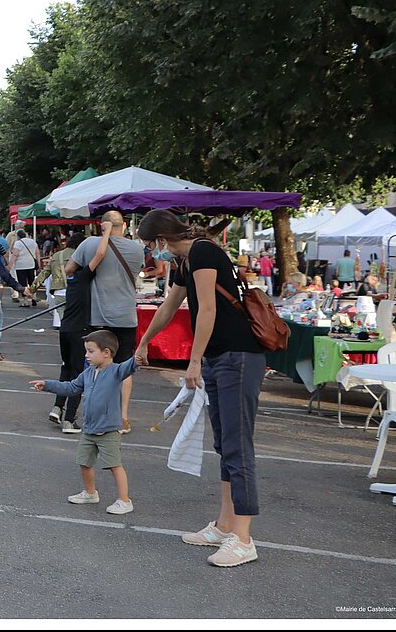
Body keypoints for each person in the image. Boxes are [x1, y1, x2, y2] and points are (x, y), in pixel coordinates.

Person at [134, 209, 265, 567]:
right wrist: (144, 340)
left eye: (151, 245)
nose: (151, 253)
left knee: (238, 447)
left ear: (162, 238)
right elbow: (169, 306)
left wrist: (194, 360)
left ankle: (243, 538)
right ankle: (225, 526)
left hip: (238, 356)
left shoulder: (204, 252)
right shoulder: (185, 261)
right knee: (225, 444)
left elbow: (206, 310)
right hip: (221, 357)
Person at [30, 329, 137, 515]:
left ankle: (124, 500)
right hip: (89, 430)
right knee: (84, 462)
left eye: (90, 351)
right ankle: (90, 492)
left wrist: (141, 354)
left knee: (114, 465)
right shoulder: (88, 374)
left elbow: (132, 365)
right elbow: (71, 387)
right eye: (86, 351)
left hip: (109, 431)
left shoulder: (116, 371)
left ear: (106, 352)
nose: (86, 355)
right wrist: (48, 385)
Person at [67, 212, 142, 434]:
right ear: (125, 225)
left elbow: (70, 269)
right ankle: (123, 418)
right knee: (124, 368)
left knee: (96, 367)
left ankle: (96, 416)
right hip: (126, 316)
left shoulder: (89, 244)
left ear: (102, 226)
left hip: (98, 317)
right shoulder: (137, 249)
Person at [48, 234, 97, 433]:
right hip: (80, 331)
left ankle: (57, 407)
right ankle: (69, 419)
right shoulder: (85, 276)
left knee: (66, 369)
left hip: (65, 329)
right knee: (79, 374)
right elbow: (101, 253)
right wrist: (106, 234)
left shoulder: (72, 279)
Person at [9, 229, 40, 307]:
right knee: (32, 282)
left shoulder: (18, 243)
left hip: (20, 265)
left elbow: (15, 254)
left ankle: (25, 301)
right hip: (31, 265)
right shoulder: (33, 242)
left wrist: (10, 264)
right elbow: (37, 253)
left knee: (23, 283)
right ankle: (34, 296)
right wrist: (38, 264)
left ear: (18, 236)